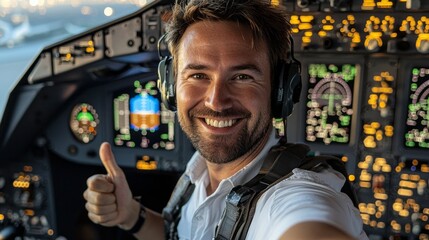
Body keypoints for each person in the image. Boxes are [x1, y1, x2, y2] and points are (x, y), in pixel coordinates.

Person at [83, 0, 369, 239]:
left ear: (280, 90)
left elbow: (308, 223)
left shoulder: (299, 194)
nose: (216, 101)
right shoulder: (198, 175)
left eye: (242, 77)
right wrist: (133, 216)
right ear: (170, 87)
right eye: (198, 75)